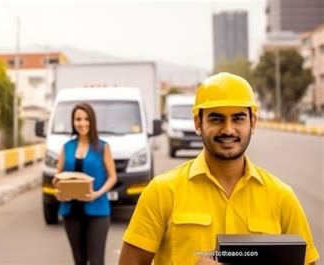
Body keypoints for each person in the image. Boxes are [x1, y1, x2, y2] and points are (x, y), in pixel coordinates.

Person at [119, 72, 320, 265]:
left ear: (253, 122)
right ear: (198, 123)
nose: (228, 129)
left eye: (238, 118)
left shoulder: (281, 197)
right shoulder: (162, 192)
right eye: (216, 119)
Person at [54, 102, 117, 265]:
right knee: (79, 261)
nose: (82, 123)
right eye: (78, 119)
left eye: (86, 119)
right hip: (71, 211)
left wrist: (97, 193)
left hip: (98, 211)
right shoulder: (66, 147)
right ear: (73, 122)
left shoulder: (103, 147)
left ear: (92, 121)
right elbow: (57, 176)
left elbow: (112, 177)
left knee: (96, 261)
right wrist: (58, 189)